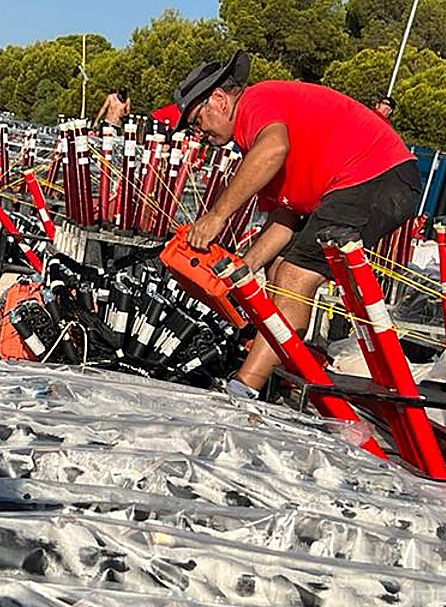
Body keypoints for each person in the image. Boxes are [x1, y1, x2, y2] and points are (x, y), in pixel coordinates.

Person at [178, 51, 422, 398]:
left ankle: (243, 388)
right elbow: (284, 220)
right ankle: (269, 372)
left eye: (197, 119)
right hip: (362, 182)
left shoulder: (256, 103)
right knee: (278, 268)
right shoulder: (253, 142)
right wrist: (241, 269)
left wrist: (217, 216)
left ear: (219, 98)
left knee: (295, 276)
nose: (199, 132)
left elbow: (274, 149)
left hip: (378, 176)